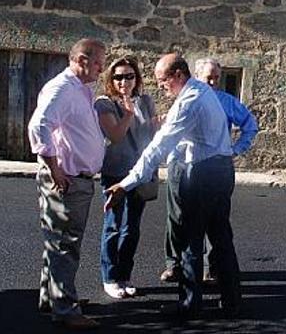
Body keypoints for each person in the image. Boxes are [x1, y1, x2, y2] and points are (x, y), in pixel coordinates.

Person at [104, 53, 241, 319]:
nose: (160, 86)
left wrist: (125, 184)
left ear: (178, 75)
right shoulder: (202, 91)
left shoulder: (189, 101)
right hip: (221, 170)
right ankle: (231, 300)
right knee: (222, 237)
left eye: (162, 80)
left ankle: (190, 304)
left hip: (202, 175)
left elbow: (158, 147)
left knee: (191, 240)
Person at [28, 38, 106, 331]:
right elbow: (39, 125)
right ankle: (65, 309)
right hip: (69, 180)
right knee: (65, 244)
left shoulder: (79, 89)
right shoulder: (62, 88)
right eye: (98, 61)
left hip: (75, 178)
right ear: (82, 60)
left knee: (59, 242)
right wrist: (54, 167)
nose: (102, 68)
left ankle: (54, 298)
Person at [160, 58, 258, 285]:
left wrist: (236, 150)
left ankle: (209, 271)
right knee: (176, 218)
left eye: (217, 77)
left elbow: (250, 125)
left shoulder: (226, 101)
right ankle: (174, 265)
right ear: (195, 75)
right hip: (180, 164)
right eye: (208, 77)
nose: (213, 82)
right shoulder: (183, 97)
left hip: (212, 169)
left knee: (215, 225)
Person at [94, 56, 158, 299]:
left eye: (129, 76)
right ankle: (110, 278)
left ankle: (124, 275)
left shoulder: (145, 100)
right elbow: (116, 136)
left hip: (139, 171)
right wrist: (129, 114)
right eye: (118, 76)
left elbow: (150, 135)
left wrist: (157, 125)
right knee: (113, 226)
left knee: (131, 228)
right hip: (115, 172)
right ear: (111, 79)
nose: (124, 81)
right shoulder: (104, 103)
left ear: (136, 78)